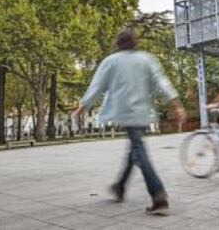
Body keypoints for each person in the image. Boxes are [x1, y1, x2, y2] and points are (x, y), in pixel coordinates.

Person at [72, 29, 187, 215]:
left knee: (139, 150)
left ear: (118, 44)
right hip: (143, 113)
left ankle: (158, 195)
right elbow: (162, 81)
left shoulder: (111, 61)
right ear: (135, 42)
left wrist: (81, 108)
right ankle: (120, 187)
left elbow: (97, 86)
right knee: (135, 149)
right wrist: (177, 105)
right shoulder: (147, 59)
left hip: (125, 112)